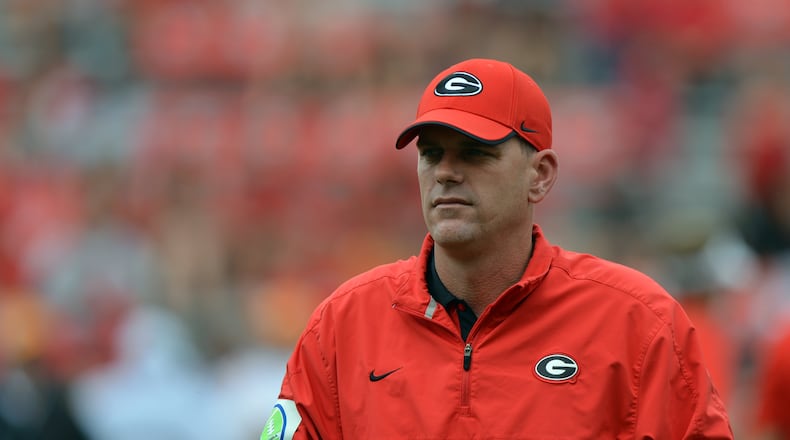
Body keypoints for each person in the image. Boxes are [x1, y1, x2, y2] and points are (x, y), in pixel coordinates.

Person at [261, 58, 734, 439]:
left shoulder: (638, 323)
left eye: (475, 153)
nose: (445, 172)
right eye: (431, 154)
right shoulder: (342, 327)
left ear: (541, 175)